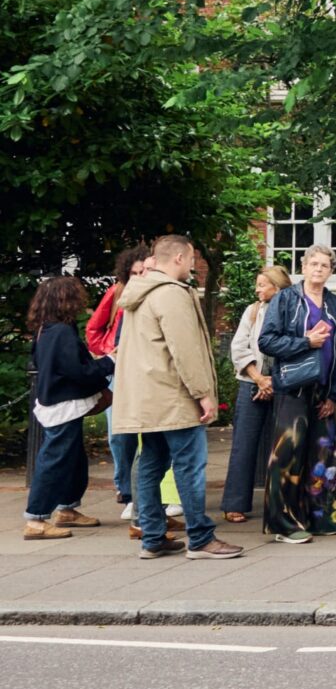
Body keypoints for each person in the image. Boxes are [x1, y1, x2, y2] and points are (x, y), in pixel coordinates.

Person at [116, 236, 242, 562]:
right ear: (179, 258)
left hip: (148, 396)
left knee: (150, 464)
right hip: (173, 395)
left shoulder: (138, 292)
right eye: (190, 260)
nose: (192, 267)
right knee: (189, 466)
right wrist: (203, 394)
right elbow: (184, 350)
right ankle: (200, 537)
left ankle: (153, 537)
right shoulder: (170, 295)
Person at [257, 244, 336, 542]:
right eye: (314, 264)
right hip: (293, 388)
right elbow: (267, 341)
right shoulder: (286, 299)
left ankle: (321, 519)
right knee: (288, 456)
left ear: (331, 271)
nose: (319, 269)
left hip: (324, 391)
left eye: (325, 265)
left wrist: (335, 395)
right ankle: (283, 524)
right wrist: (304, 342)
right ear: (304, 266)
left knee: (323, 456)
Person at [25, 275, 111, 539]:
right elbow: (79, 372)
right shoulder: (61, 332)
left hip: (55, 400)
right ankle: (36, 519)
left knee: (72, 457)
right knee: (55, 459)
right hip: (64, 403)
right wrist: (110, 362)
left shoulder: (46, 329)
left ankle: (67, 508)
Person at [220, 263, 289, 524]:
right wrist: (260, 379)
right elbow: (239, 347)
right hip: (252, 383)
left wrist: (273, 381)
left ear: (277, 286)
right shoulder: (252, 311)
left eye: (262, 284)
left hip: (283, 383)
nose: (257, 289)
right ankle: (234, 503)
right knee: (243, 445)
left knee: (283, 445)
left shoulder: (291, 309)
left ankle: (282, 501)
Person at [91, 243, 148, 523]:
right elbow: (94, 328)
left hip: (144, 370)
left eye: (143, 272)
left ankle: (141, 491)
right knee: (118, 434)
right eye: (133, 273)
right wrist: (108, 349)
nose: (138, 277)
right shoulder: (116, 293)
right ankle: (125, 490)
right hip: (118, 371)